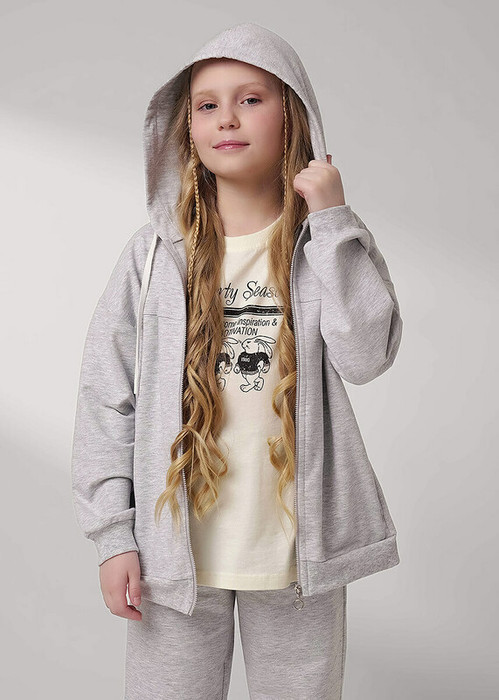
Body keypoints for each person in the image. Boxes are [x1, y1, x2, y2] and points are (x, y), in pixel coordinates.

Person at [71, 21, 403, 700]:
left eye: (250, 99)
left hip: (298, 556)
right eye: (207, 104)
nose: (226, 117)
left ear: (292, 115)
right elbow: (106, 394)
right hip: (171, 557)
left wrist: (332, 219)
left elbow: (367, 355)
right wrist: (114, 537)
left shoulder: (326, 243)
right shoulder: (154, 256)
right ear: (186, 129)